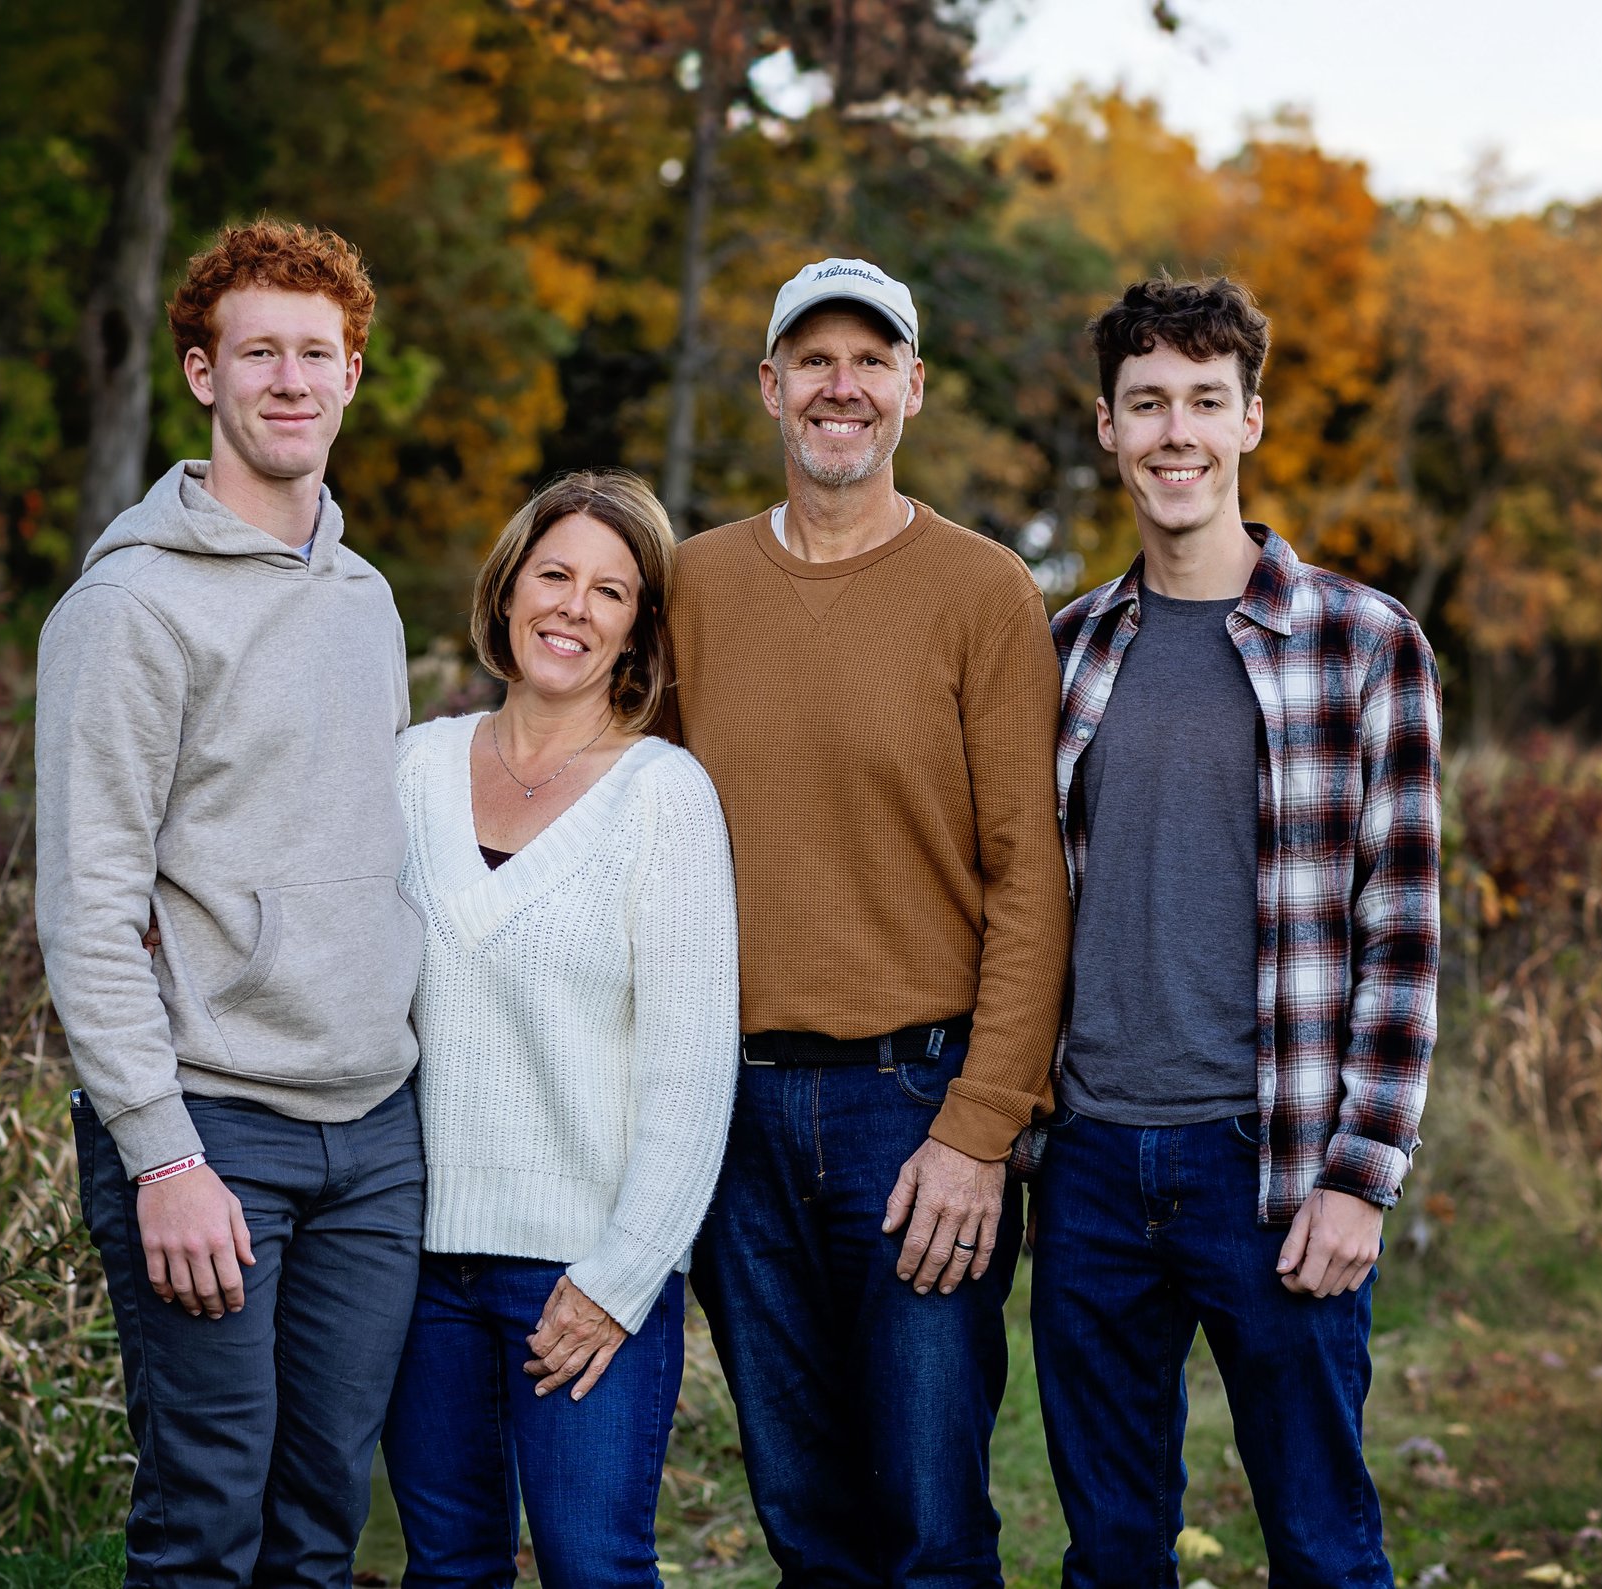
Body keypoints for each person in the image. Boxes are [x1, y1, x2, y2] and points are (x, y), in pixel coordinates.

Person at [1032, 274, 1442, 1588]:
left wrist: (1360, 1174)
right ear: (1106, 427)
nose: (1176, 431)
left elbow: (1405, 933)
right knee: (1111, 1555)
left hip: (1271, 1171)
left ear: (1252, 421)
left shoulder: (1365, 644)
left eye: (1207, 401)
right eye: (1146, 402)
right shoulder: (1067, 649)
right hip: (1090, 1169)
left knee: (1324, 1548)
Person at [668, 257, 1073, 1587]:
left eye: (870, 360)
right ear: (773, 387)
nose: (842, 386)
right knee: (803, 1515)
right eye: (814, 360)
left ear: (910, 389)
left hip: (918, 1104)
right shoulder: (695, 585)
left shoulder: (983, 592)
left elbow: (1031, 878)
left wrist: (979, 1126)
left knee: (929, 1524)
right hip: (730, 1112)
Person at [36, 218, 425, 1587]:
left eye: (317, 353)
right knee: (207, 1518)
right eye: (258, 351)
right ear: (203, 376)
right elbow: (86, 905)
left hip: (374, 1132)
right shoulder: (131, 607)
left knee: (321, 1520)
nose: (291, 378)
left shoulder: (366, 597)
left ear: (351, 379)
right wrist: (161, 1149)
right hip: (214, 1127)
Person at [381, 471, 739, 1587]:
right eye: (554, 574)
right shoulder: (413, 766)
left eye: (610, 590)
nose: (573, 607)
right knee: (447, 1566)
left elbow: (691, 1076)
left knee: (592, 1565)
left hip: (581, 1271)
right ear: (509, 585)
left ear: (637, 627)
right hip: (414, 1263)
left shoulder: (662, 796)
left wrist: (622, 1275)